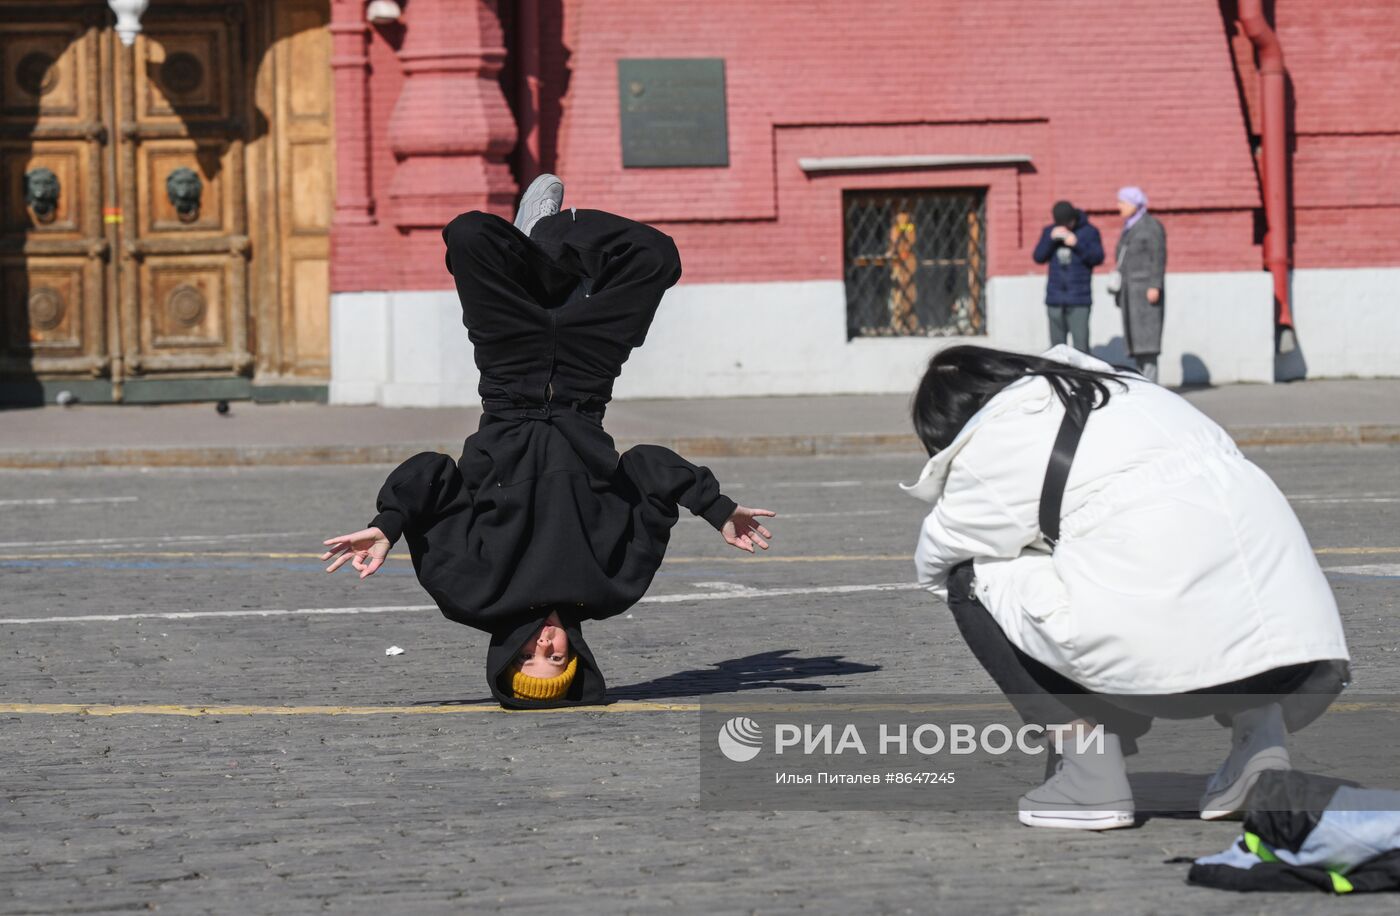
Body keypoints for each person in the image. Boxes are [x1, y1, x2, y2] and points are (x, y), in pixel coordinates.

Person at [320, 175, 776, 709]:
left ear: (504, 655)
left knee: (469, 235)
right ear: (576, 654)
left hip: (509, 374)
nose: (543, 645)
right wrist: (715, 508)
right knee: (655, 256)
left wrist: (387, 526)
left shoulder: (471, 591)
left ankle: (536, 248)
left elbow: (435, 476)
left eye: (527, 657)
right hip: (586, 381)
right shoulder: (611, 586)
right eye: (556, 657)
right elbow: (646, 471)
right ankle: (547, 237)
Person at [902, 344, 1350, 830]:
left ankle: (1089, 771)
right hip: (1294, 657)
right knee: (1226, 572)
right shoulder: (1132, 389)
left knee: (969, 577)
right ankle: (1259, 750)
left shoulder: (996, 437)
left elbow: (936, 560)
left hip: (1177, 676)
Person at [1109, 186, 1167, 382]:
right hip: (1130, 293)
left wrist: (1155, 284)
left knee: (1147, 343)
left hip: (1144, 292)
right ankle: (1145, 381)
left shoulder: (1150, 226)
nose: (1119, 206)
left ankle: (1151, 384)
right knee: (1137, 343)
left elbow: (1158, 256)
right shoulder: (1130, 226)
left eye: (1122, 202)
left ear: (1134, 203)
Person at [1032, 201, 1103, 353]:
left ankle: (1082, 377)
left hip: (1079, 299)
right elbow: (1038, 257)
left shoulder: (1089, 231)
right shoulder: (1050, 231)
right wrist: (1050, 240)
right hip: (1055, 298)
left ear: (1074, 219)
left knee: (1081, 348)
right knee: (1057, 351)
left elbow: (1097, 258)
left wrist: (1076, 244)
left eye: (1068, 224)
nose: (1065, 227)